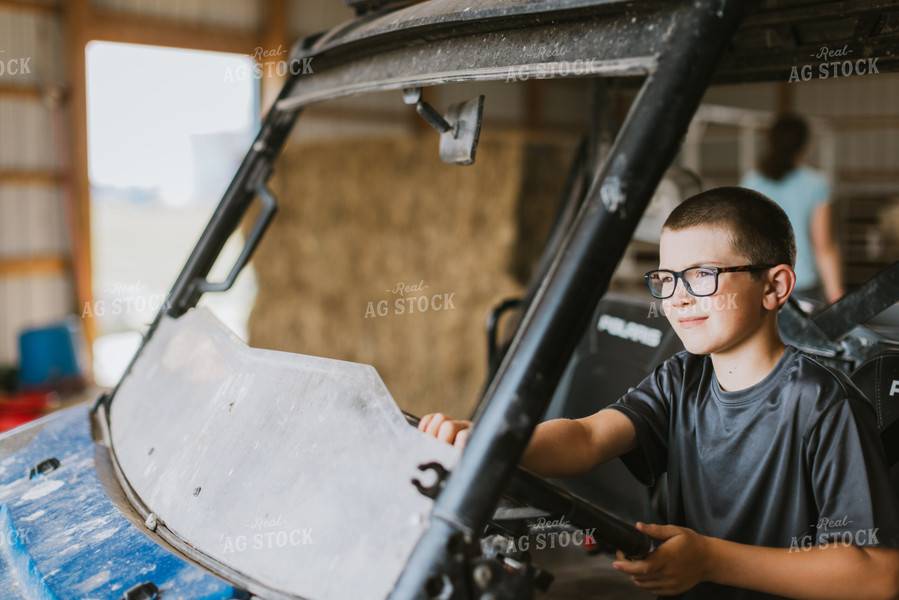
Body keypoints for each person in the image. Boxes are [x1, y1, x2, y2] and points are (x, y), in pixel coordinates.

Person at [418, 187, 899, 600]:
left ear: (774, 287)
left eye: (702, 276)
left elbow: (878, 574)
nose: (678, 298)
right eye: (666, 280)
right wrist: (494, 443)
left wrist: (710, 560)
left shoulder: (824, 407)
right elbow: (586, 438)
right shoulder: (682, 378)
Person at [740, 114, 843, 303]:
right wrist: (835, 294)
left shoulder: (751, 182)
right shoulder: (816, 184)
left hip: (761, 284)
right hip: (800, 284)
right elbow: (823, 245)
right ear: (805, 146)